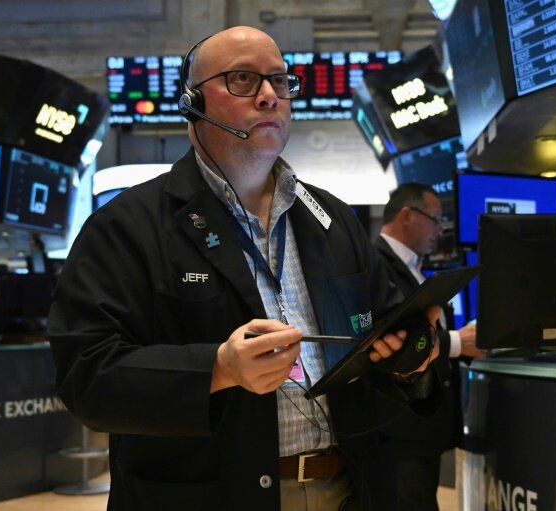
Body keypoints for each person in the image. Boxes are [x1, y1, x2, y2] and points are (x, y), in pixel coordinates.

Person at [47, 27, 445, 511]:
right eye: (242, 79)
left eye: (279, 80)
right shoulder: (126, 226)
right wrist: (215, 369)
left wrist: (413, 359)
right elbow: (86, 377)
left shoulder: (333, 219)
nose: (269, 96)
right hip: (206, 498)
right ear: (192, 102)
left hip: (347, 491)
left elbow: (380, 338)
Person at [373, 183, 485, 511]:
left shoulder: (415, 267)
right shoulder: (374, 261)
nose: (440, 230)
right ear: (407, 215)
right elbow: (387, 332)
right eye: (435, 219)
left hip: (423, 431)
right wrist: (456, 342)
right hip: (398, 433)